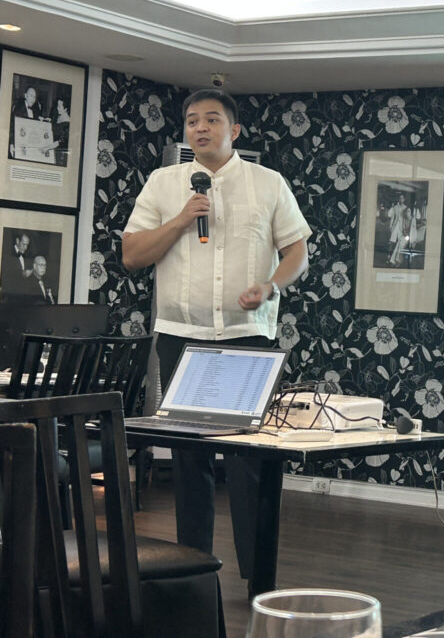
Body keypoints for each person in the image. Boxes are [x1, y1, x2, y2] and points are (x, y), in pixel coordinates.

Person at [121, 88, 310, 594]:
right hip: (181, 337)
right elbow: (133, 254)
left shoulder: (268, 183)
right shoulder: (164, 183)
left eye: (211, 120)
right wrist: (182, 218)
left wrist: (271, 285)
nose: (200, 128)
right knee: (190, 460)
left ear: (235, 130)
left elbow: (297, 252)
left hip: (247, 337)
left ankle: (257, 579)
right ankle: (193, 571)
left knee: (249, 461)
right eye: (191, 121)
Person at [387, 194, 409, 266]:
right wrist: (391, 226)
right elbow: (392, 217)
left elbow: (406, 219)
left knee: (399, 243)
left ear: (404, 199)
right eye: (400, 198)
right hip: (395, 226)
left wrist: (405, 228)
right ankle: (389, 257)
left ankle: (397, 259)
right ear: (398, 199)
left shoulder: (406, 208)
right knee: (391, 242)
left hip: (402, 228)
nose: (401, 199)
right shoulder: (395, 207)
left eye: (402, 198)